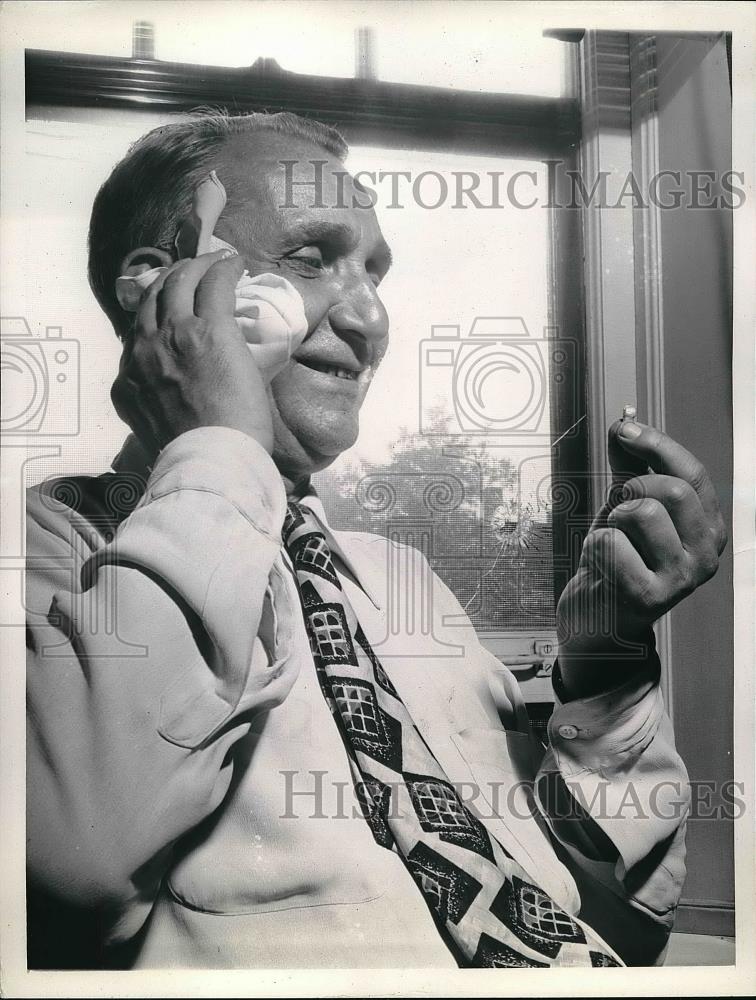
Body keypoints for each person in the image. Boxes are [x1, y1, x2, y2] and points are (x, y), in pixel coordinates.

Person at [25, 111, 726, 970]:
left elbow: (618, 916)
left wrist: (605, 659)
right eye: (311, 257)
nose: (369, 318)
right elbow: (69, 864)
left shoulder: (402, 584)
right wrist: (219, 446)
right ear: (160, 287)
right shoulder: (42, 551)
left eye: (375, 273)